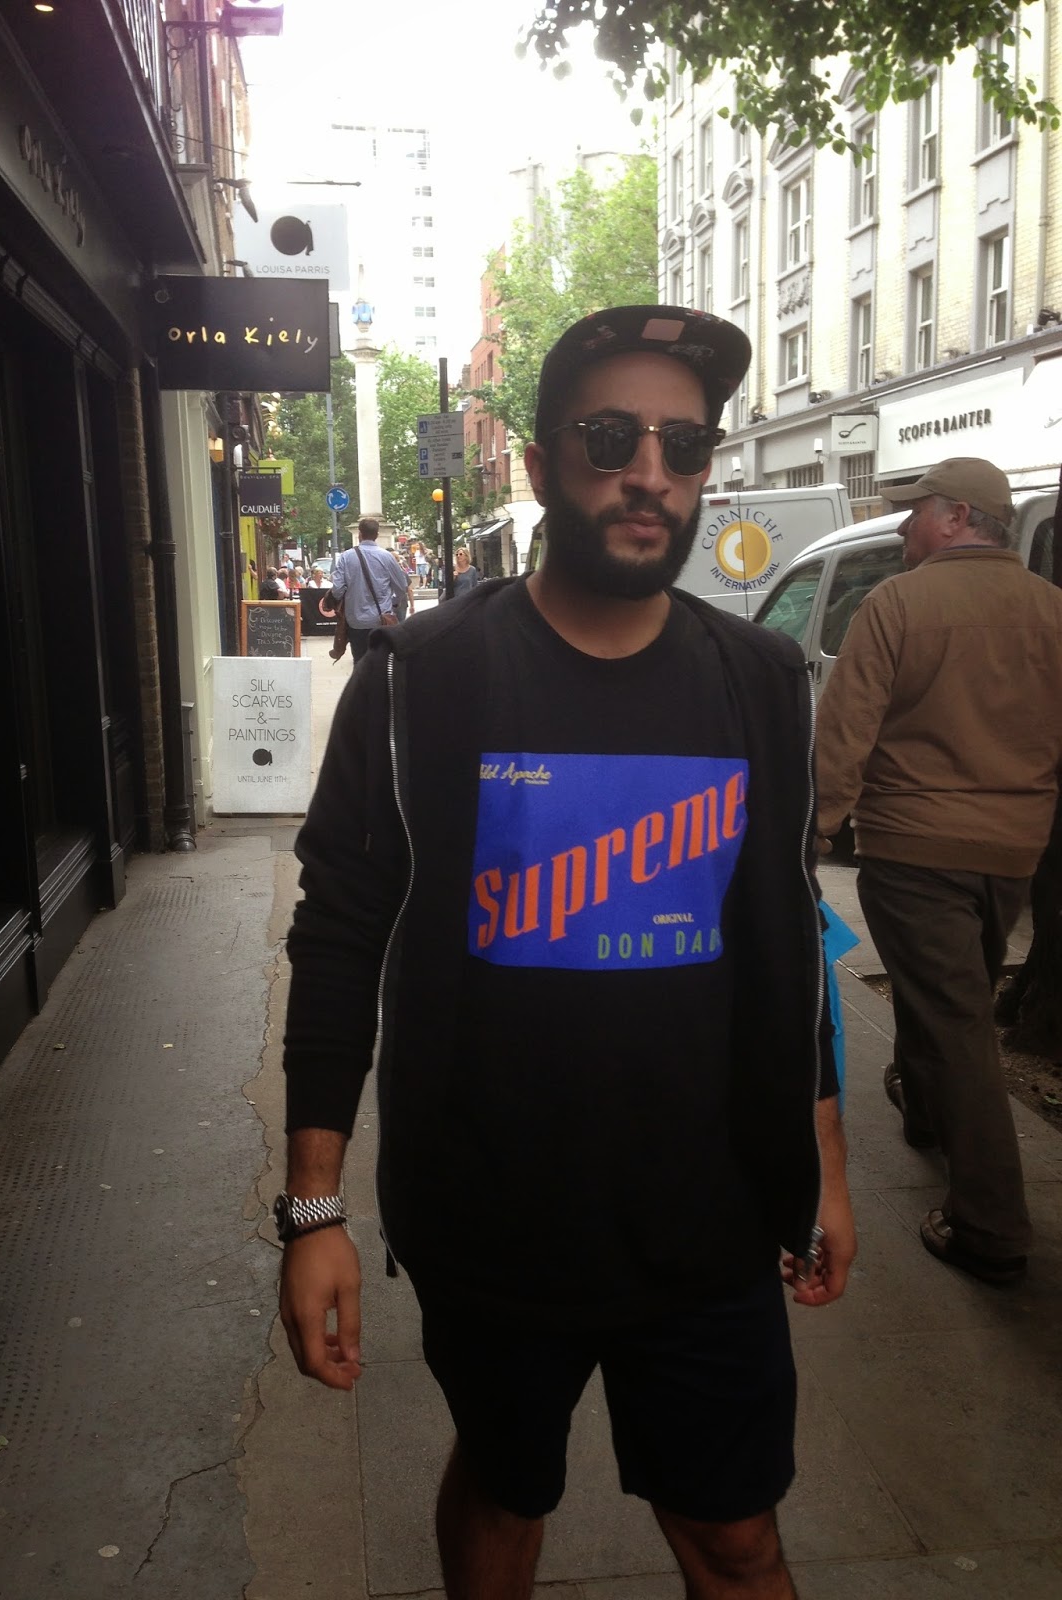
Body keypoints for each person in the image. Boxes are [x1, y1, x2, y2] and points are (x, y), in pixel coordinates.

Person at [279, 305, 854, 1600]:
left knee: (737, 1539)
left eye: (682, 445)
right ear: (541, 465)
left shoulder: (764, 683)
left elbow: (787, 941)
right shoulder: (420, 681)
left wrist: (821, 1166)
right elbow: (339, 937)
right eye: (610, 437)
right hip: (493, 1227)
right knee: (503, 1491)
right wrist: (314, 1209)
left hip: (707, 1228)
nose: (650, 472)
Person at [816, 457, 1062, 1287]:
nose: (901, 524)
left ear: (957, 516)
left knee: (956, 1022)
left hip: (915, 850)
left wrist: (813, 836)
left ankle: (990, 1226)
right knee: (952, 994)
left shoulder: (897, 605)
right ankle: (922, 1107)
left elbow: (843, 734)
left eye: (915, 510)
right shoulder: (1052, 610)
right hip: (1013, 853)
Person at [329, 518, 410, 661]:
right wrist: (394, 602)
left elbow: (337, 590)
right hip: (381, 619)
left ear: (359, 534)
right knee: (381, 663)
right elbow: (402, 586)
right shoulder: (387, 557)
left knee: (360, 661)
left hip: (355, 621)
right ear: (377, 534)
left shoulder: (346, 557)